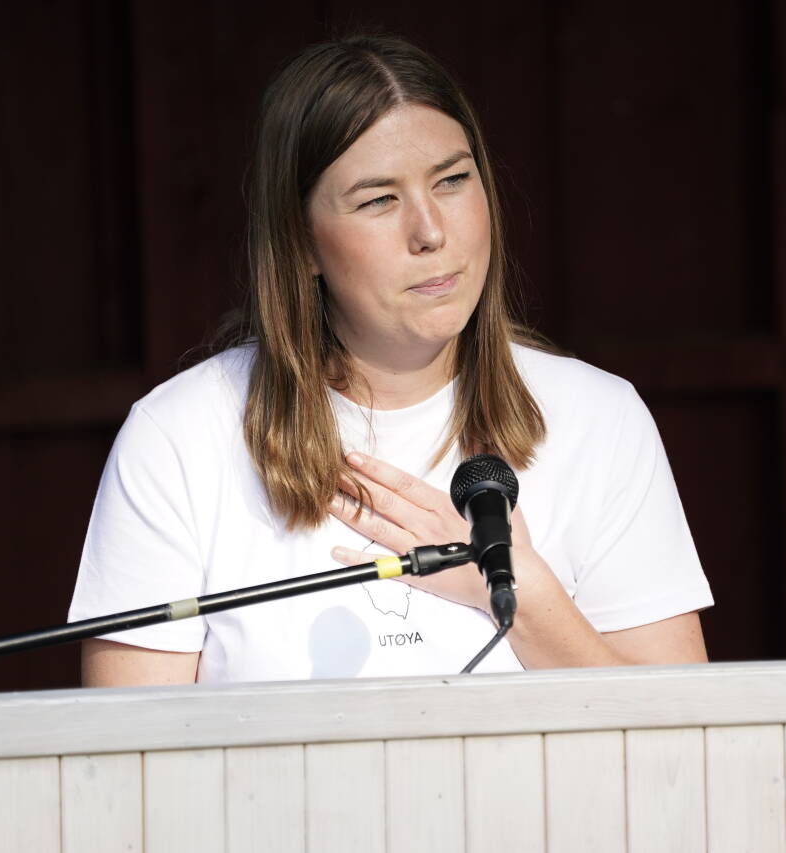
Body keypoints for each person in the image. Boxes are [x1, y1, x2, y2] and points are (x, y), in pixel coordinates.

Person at [68, 34, 713, 687]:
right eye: (379, 200)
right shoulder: (178, 438)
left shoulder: (599, 419)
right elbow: (131, 765)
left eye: (454, 180)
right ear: (301, 243)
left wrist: (520, 592)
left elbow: (681, 734)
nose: (431, 231)